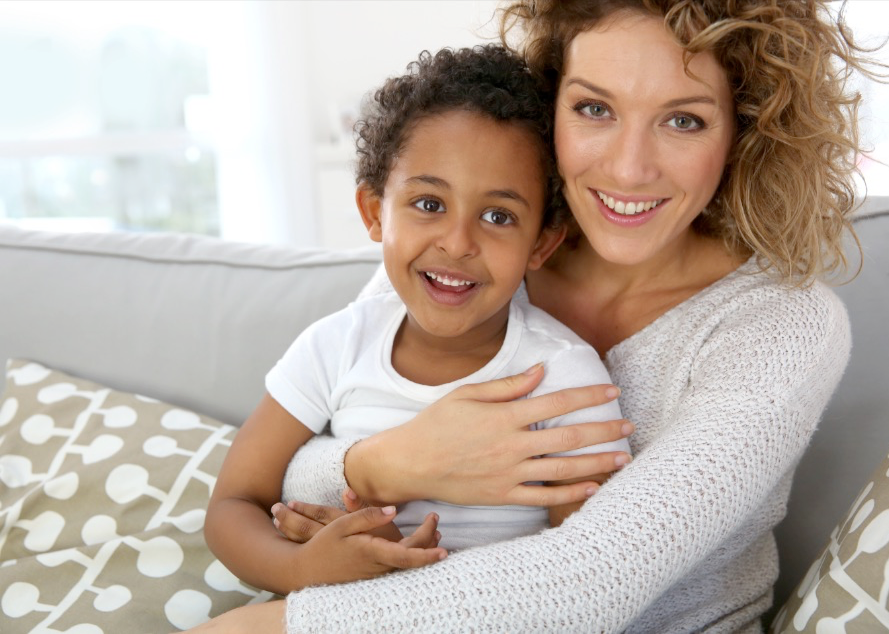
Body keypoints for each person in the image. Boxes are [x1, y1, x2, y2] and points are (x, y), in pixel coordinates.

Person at [191, 0, 882, 631]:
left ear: (746, 131)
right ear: (550, 110)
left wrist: (275, 626)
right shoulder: (464, 262)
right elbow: (283, 473)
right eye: (594, 108)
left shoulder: (781, 326)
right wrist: (383, 466)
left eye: (683, 120)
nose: (629, 168)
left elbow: (590, 579)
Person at [203, 44, 630, 597]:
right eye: (429, 204)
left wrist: (407, 586)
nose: (457, 242)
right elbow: (233, 504)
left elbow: (588, 580)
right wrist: (302, 568)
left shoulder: (565, 380)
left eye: (498, 216)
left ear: (541, 246)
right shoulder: (336, 346)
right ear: (374, 213)